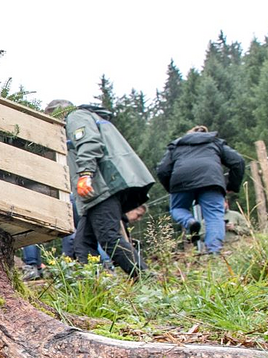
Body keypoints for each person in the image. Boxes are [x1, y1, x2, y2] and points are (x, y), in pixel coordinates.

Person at [49, 99, 156, 278]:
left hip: (100, 188)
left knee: (109, 238)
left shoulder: (74, 117)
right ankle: (94, 286)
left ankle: (145, 278)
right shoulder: (80, 118)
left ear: (58, 112)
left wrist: (85, 174)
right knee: (83, 243)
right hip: (94, 193)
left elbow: (89, 143)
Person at [154, 125, 246, 254]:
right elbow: (238, 161)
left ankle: (190, 221)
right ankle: (213, 251)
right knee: (214, 215)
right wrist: (232, 186)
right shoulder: (214, 142)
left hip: (181, 179)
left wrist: (172, 189)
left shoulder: (176, 146)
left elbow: (162, 170)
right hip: (211, 180)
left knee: (177, 208)